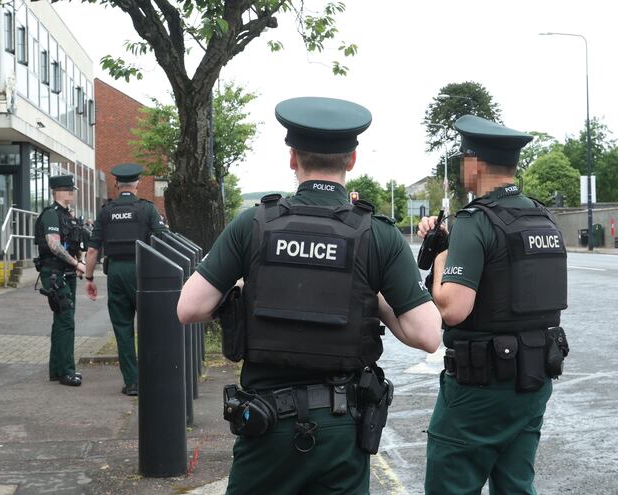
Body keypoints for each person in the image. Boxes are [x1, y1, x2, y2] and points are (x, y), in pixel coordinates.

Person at [177, 96, 442, 494]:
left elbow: (188, 308)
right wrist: (371, 297)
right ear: (351, 160)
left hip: (265, 424)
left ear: (292, 158)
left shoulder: (253, 223)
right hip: (341, 428)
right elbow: (428, 334)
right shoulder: (378, 234)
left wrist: (247, 288)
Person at [419, 115, 569, 494]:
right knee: (516, 485)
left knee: (450, 483)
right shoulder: (542, 216)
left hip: (478, 391)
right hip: (532, 381)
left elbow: (453, 308)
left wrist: (440, 262)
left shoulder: (475, 220)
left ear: (475, 164)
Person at [84, 163, 168, 396]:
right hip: (143, 271)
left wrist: (89, 278)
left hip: (116, 273)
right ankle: (154, 377)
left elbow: (92, 251)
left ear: (117, 185)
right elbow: (164, 240)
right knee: (151, 325)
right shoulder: (147, 210)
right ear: (138, 183)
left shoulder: (106, 211)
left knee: (122, 329)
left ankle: (132, 382)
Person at [34, 175, 88, 387]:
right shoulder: (50, 215)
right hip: (55, 274)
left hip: (68, 273)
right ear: (57, 191)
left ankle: (56, 370)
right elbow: (54, 245)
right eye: (68, 189)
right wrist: (77, 264)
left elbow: (75, 244)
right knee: (66, 322)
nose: (72, 193)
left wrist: (79, 262)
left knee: (61, 321)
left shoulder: (68, 216)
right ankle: (66, 371)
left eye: (72, 189)